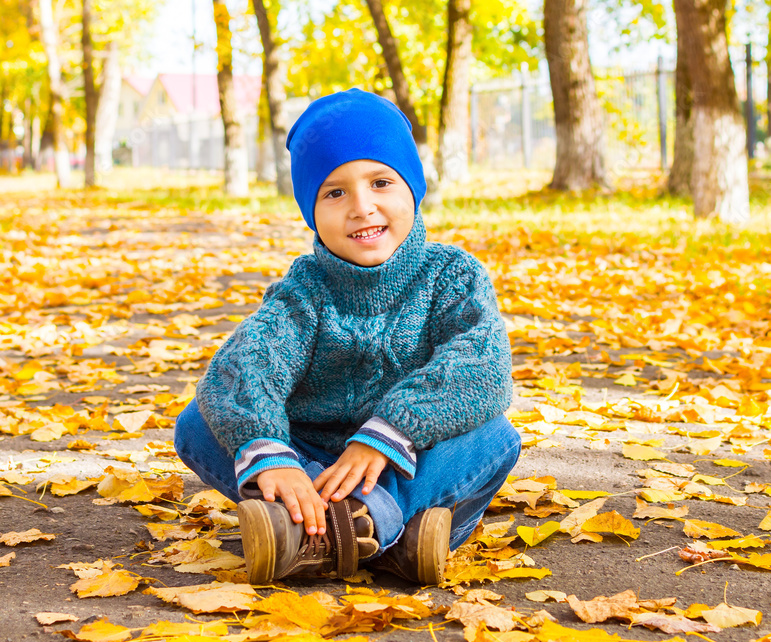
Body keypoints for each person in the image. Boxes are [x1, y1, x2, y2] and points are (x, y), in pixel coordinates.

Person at [174, 88, 520, 586]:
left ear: (413, 190)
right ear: (311, 211)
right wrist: (274, 454)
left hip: (406, 458)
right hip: (311, 454)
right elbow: (248, 363)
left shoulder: (451, 275)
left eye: (381, 182)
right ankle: (362, 533)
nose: (362, 207)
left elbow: (480, 365)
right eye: (335, 192)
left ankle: (339, 528)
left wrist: (387, 434)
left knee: (494, 437)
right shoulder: (305, 291)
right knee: (198, 424)